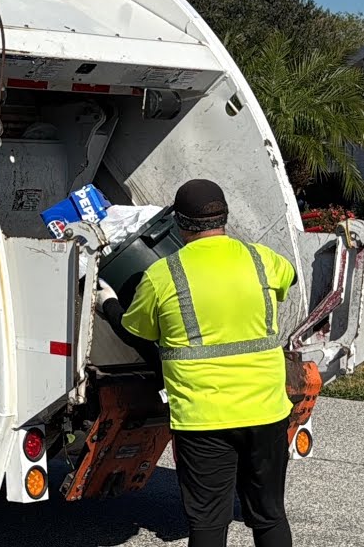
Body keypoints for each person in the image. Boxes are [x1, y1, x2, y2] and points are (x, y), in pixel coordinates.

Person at [96, 179, 297, 547]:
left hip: (204, 418)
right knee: (270, 517)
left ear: (179, 224)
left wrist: (107, 304)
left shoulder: (162, 276)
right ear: (225, 217)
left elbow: (135, 330)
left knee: (208, 525)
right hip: (267, 410)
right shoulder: (262, 259)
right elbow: (290, 277)